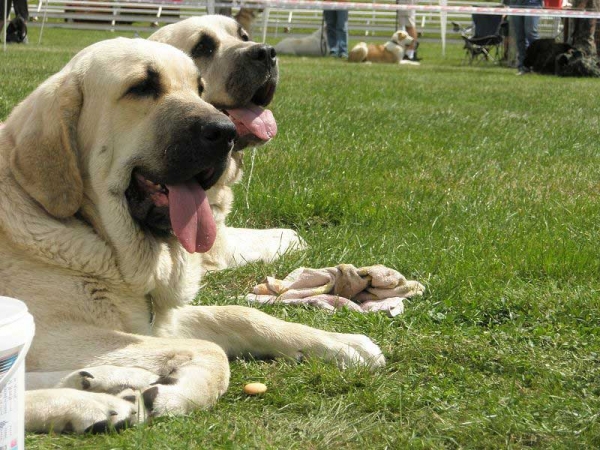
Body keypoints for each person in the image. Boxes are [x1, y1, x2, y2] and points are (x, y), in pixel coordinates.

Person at [509, 0, 543, 75]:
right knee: (519, 36)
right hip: (515, 3)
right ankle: (523, 67)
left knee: (531, 33)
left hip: (533, 3)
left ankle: (537, 65)